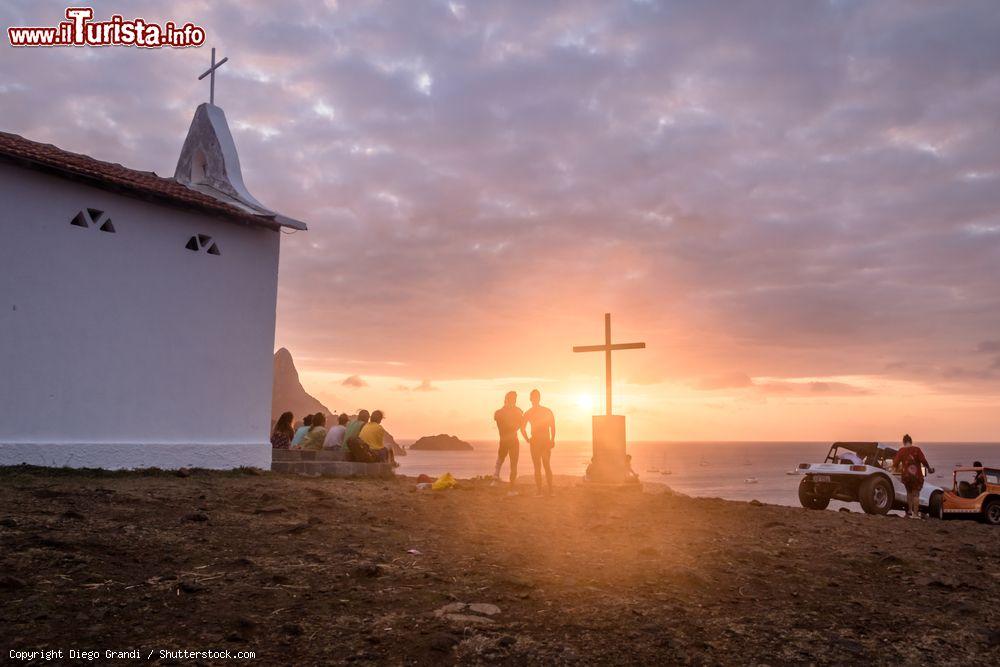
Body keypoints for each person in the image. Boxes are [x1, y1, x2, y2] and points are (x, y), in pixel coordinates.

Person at [521, 389, 555, 497]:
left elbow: (552, 426)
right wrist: (552, 439)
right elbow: (552, 426)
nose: (535, 399)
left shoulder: (531, 412)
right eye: (534, 397)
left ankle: (544, 491)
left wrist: (552, 439)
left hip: (540, 441)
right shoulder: (544, 411)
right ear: (531, 399)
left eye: (536, 397)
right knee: (542, 466)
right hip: (540, 441)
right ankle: (547, 491)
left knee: (542, 466)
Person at [892, 434, 932, 519]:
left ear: (904, 442)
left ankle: (909, 512)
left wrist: (894, 469)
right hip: (916, 476)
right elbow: (923, 460)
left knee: (909, 493)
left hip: (906, 476)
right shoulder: (917, 450)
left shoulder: (901, 451)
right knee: (916, 494)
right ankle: (915, 514)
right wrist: (928, 468)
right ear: (911, 441)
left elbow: (895, 463)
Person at [493, 391, 523, 492]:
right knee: (510, 463)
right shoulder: (515, 411)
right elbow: (518, 425)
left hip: (507, 439)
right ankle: (510, 487)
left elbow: (518, 424)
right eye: (513, 399)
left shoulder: (500, 412)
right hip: (510, 440)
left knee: (503, 459)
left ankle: (497, 479)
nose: (514, 401)